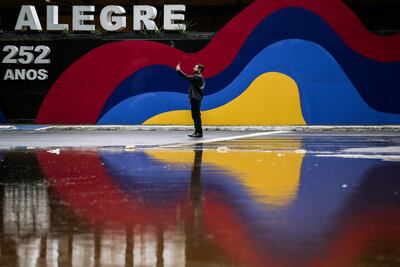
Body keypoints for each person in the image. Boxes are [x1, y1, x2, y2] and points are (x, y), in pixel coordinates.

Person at [176, 62, 205, 137]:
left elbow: (186, 77)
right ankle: (198, 131)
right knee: (195, 115)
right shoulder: (199, 77)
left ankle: (198, 132)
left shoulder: (197, 77)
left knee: (196, 116)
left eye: (195, 67)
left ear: (199, 69)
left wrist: (179, 70)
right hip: (196, 98)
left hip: (195, 98)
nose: (193, 68)